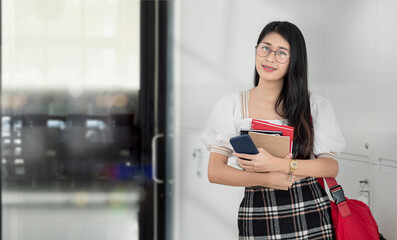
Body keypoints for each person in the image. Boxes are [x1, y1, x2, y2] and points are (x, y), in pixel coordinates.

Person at [201, 21, 345, 239]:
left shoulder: (313, 105)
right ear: (256, 50)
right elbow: (215, 172)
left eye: (281, 53)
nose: (270, 58)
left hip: (310, 213)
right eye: (265, 48)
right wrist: (267, 179)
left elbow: (330, 167)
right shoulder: (233, 104)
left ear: (294, 60)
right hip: (258, 216)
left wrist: (278, 164)